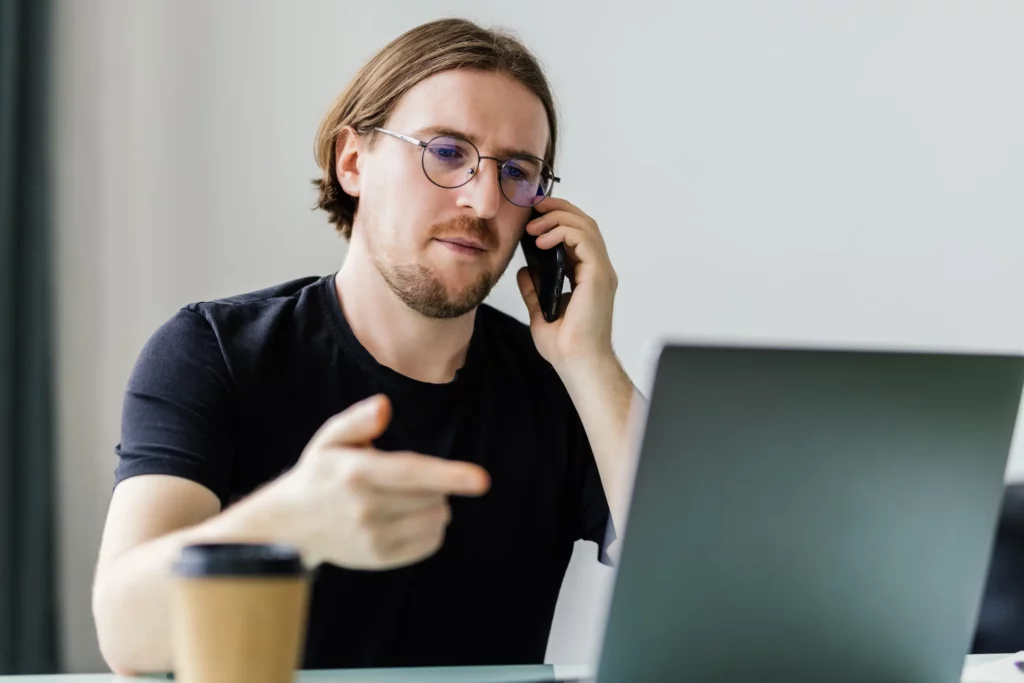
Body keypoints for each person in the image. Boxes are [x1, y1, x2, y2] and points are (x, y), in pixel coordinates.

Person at [91, 17, 642, 675]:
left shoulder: (559, 382)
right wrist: (294, 523)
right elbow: (126, 636)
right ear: (353, 161)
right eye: (446, 151)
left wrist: (590, 359)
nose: (483, 196)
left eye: (518, 171)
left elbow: (709, 583)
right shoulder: (214, 351)